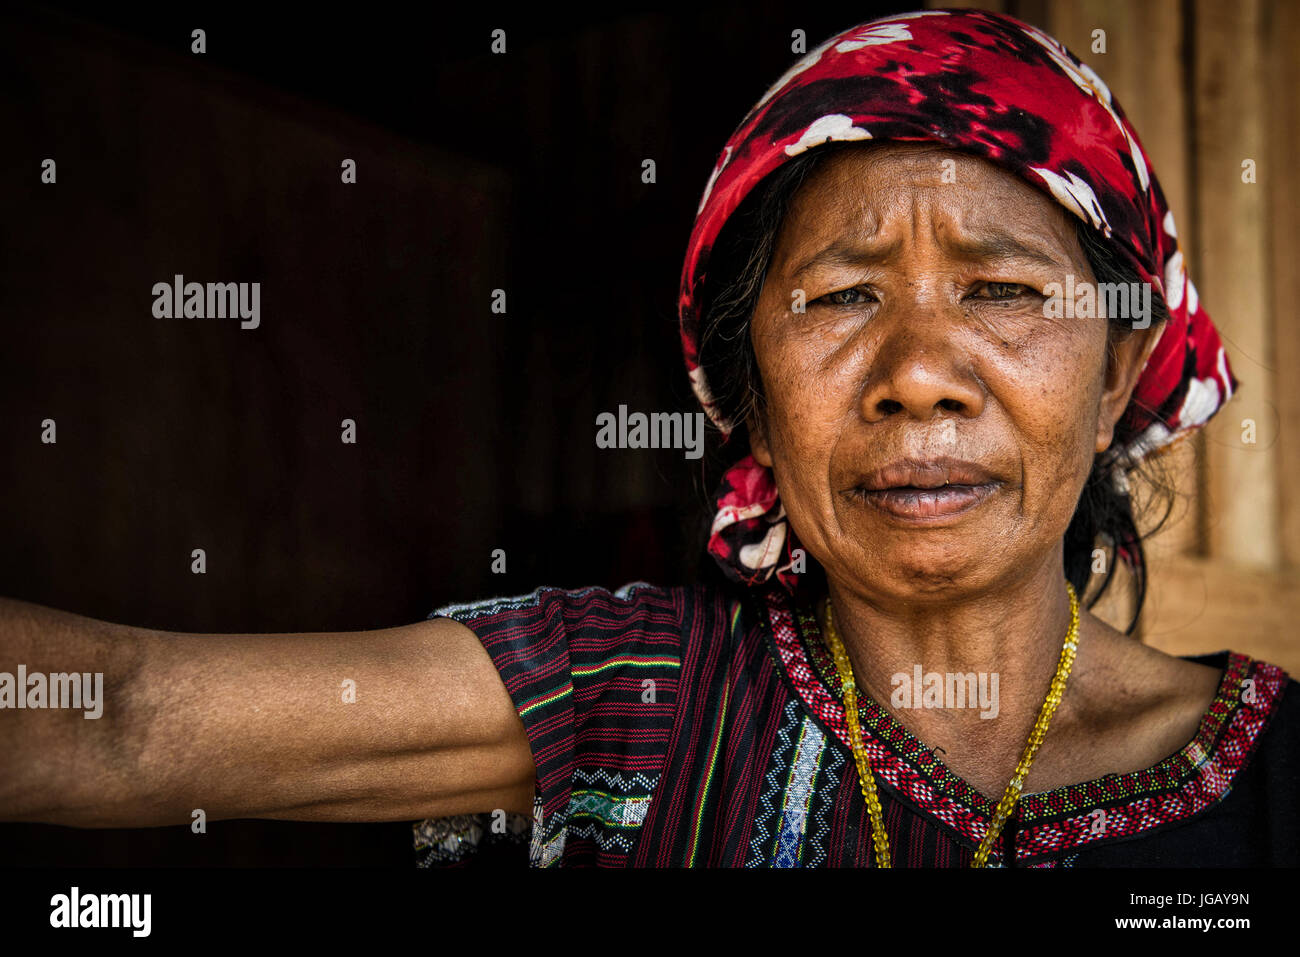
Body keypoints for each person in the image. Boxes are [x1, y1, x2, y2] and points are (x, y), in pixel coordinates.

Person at [2, 8, 1295, 868]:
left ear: (1123, 363)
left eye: (1001, 290)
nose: (915, 376)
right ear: (751, 407)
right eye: (842, 297)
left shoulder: (1275, 778)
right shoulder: (641, 695)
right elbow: (112, 716)